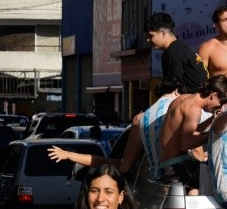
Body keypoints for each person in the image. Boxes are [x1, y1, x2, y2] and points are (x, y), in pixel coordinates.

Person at [48, 77, 184, 180]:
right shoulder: (191, 112)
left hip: (155, 185)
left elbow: (123, 166)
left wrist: (69, 155)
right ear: (178, 91)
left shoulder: (142, 119)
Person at [158, 76, 227, 193]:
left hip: (169, 162)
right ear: (214, 95)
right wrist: (214, 134)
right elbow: (185, 144)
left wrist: (211, 120)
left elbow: (191, 131)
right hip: (176, 165)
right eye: (221, 102)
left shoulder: (182, 98)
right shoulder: (194, 109)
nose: (219, 107)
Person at [144, 12, 207, 92]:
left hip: (189, 102)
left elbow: (173, 90)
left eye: (150, 35)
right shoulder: (181, 48)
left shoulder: (173, 53)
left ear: (163, 34)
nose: (148, 40)